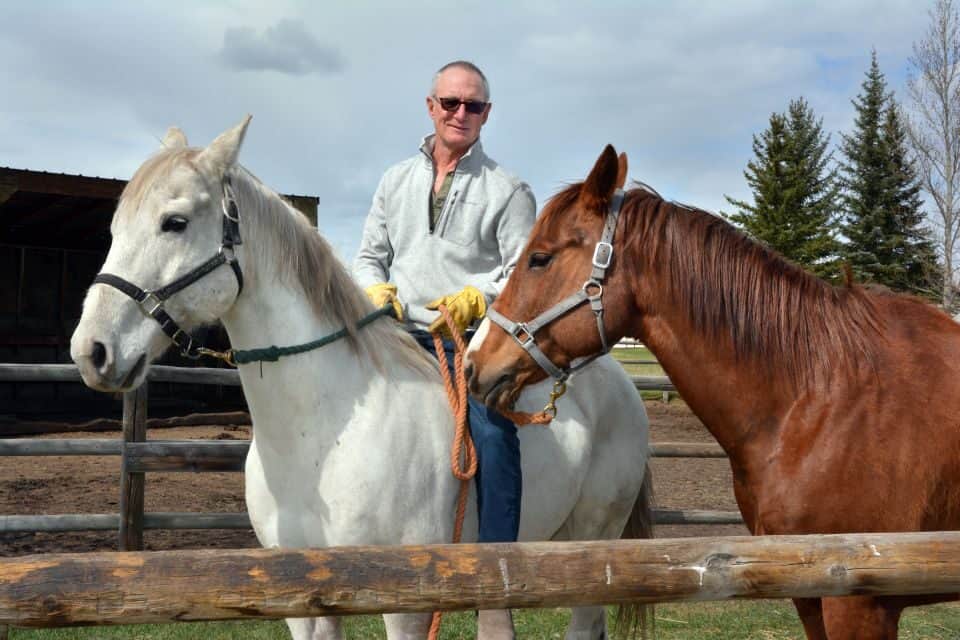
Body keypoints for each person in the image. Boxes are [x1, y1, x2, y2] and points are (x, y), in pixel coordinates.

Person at [353, 60, 535, 639]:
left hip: (466, 339)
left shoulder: (509, 191)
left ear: (487, 114)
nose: (461, 114)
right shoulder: (393, 181)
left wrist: (475, 300)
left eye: (474, 106)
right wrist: (372, 288)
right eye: (451, 103)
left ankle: (493, 585)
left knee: (490, 429)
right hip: (396, 329)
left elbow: (518, 275)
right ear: (430, 106)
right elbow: (368, 256)